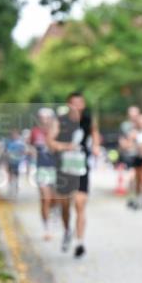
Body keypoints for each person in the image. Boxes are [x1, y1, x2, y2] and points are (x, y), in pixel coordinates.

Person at [48, 92, 99, 258]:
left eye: (80, 103)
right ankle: (67, 231)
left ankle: (80, 242)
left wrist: (96, 147)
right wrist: (64, 147)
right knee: (65, 205)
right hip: (64, 167)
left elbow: (95, 134)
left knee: (79, 203)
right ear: (68, 104)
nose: (77, 106)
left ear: (83, 105)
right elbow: (50, 141)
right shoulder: (59, 121)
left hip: (81, 167)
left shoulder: (88, 120)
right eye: (73, 103)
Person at [28, 108, 57, 240]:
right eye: (42, 117)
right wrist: (31, 152)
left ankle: (54, 213)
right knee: (45, 199)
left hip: (57, 168)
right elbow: (29, 146)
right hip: (42, 168)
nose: (45, 120)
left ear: (52, 119)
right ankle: (47, 228)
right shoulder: (35, 132)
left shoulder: (58, 131)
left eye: (47, 117)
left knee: (54, 200)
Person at [3, 129, 27, 198]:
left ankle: (16, 186)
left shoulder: (20, 143)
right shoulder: (8, 142)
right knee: (10, 174)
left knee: (16, 175)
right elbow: (5, 152)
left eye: (15, 134)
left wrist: (21, 155)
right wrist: (6, 158)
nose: (14, 136)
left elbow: (24, 151)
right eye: (13, 134)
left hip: (17, 162)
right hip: (10, 161)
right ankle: (10, 187)